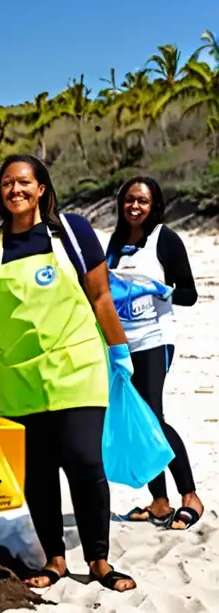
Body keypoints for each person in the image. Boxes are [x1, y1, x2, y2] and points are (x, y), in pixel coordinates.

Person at [0, 154, 136, 592]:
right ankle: (55, 558)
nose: (14, 190)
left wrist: (119, 349)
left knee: (84, 459)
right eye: (6, 184)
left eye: (23, 183)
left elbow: (100, 298)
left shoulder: (73, 232)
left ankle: (98, 560)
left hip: (77, 366)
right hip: (18, 377)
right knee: (36, 471)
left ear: (41, 189)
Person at [106, 176, 203, 530]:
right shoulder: (116, 241)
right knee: (133, 419)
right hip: (120, 343)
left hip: (154, 340)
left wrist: (161, 291)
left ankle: (190, 496)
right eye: (129, 200)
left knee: (152, 419)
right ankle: (159, 502)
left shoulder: (166, 240)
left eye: (142, 202)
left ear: (154, 205)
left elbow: (189, 294)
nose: (134, 207)